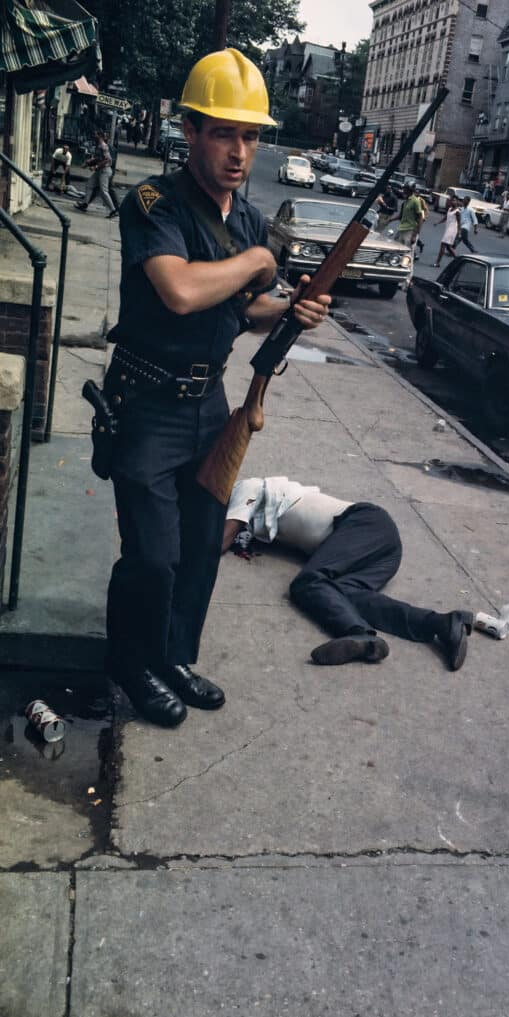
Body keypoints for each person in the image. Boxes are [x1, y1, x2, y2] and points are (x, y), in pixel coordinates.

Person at [101, 50, 331, 728]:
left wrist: (289, 310)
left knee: (202, 546)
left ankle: (171, 656)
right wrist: (260, 265)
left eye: (251, 136)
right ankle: (131, 662)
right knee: (152, 553)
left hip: (210, 404)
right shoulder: (153, 204)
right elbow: (178, 291)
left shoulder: (250, 221)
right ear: (192, 130)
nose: (240, 151)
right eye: (225, 133)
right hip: (145, 404)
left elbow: (243, 311)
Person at [222, 477, 474, 670]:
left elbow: (220, 541)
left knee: (308, 583)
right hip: (380, 547)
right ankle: (442, 624)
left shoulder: (247, 486)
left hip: (365, 523)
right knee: (344, 595)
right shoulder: (254, 510)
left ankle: (357, 634)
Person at [74, 130, 117, 217]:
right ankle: (85, 204)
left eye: (96, 135)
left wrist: (96, 167)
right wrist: (87, 163)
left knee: (104, 191)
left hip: (104, 171)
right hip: (100, 171)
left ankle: (113, 210)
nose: (94, 136)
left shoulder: (104, 146)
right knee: (89, 184)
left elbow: (107, 160)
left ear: (100, 136)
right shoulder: (99, 146)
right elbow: (98, 158)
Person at [388, 183, 423, 254]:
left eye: (405, 189)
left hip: (410, 230)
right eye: (404, 189)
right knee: (395, 249)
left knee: (406, 252)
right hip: (401, 228)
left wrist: (415, 235)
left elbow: (420, 218)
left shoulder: (415, 201)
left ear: (410, 190)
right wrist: (390, 219)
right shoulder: (405, 201)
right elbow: (400, 215)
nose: (403, 191)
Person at [432, 195, 460, 267]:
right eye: (451, 200)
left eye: (454, 200)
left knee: (443, 245)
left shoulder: (457, 212)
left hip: (452, 230)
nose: (452, 201)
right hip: (448, 229)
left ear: (457, 202)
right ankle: (458, 260)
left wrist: (459, 233)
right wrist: (437, 222)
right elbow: (445, 218)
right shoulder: (450, 209)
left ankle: (437, 262)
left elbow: (459, 223)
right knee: (449, 248)